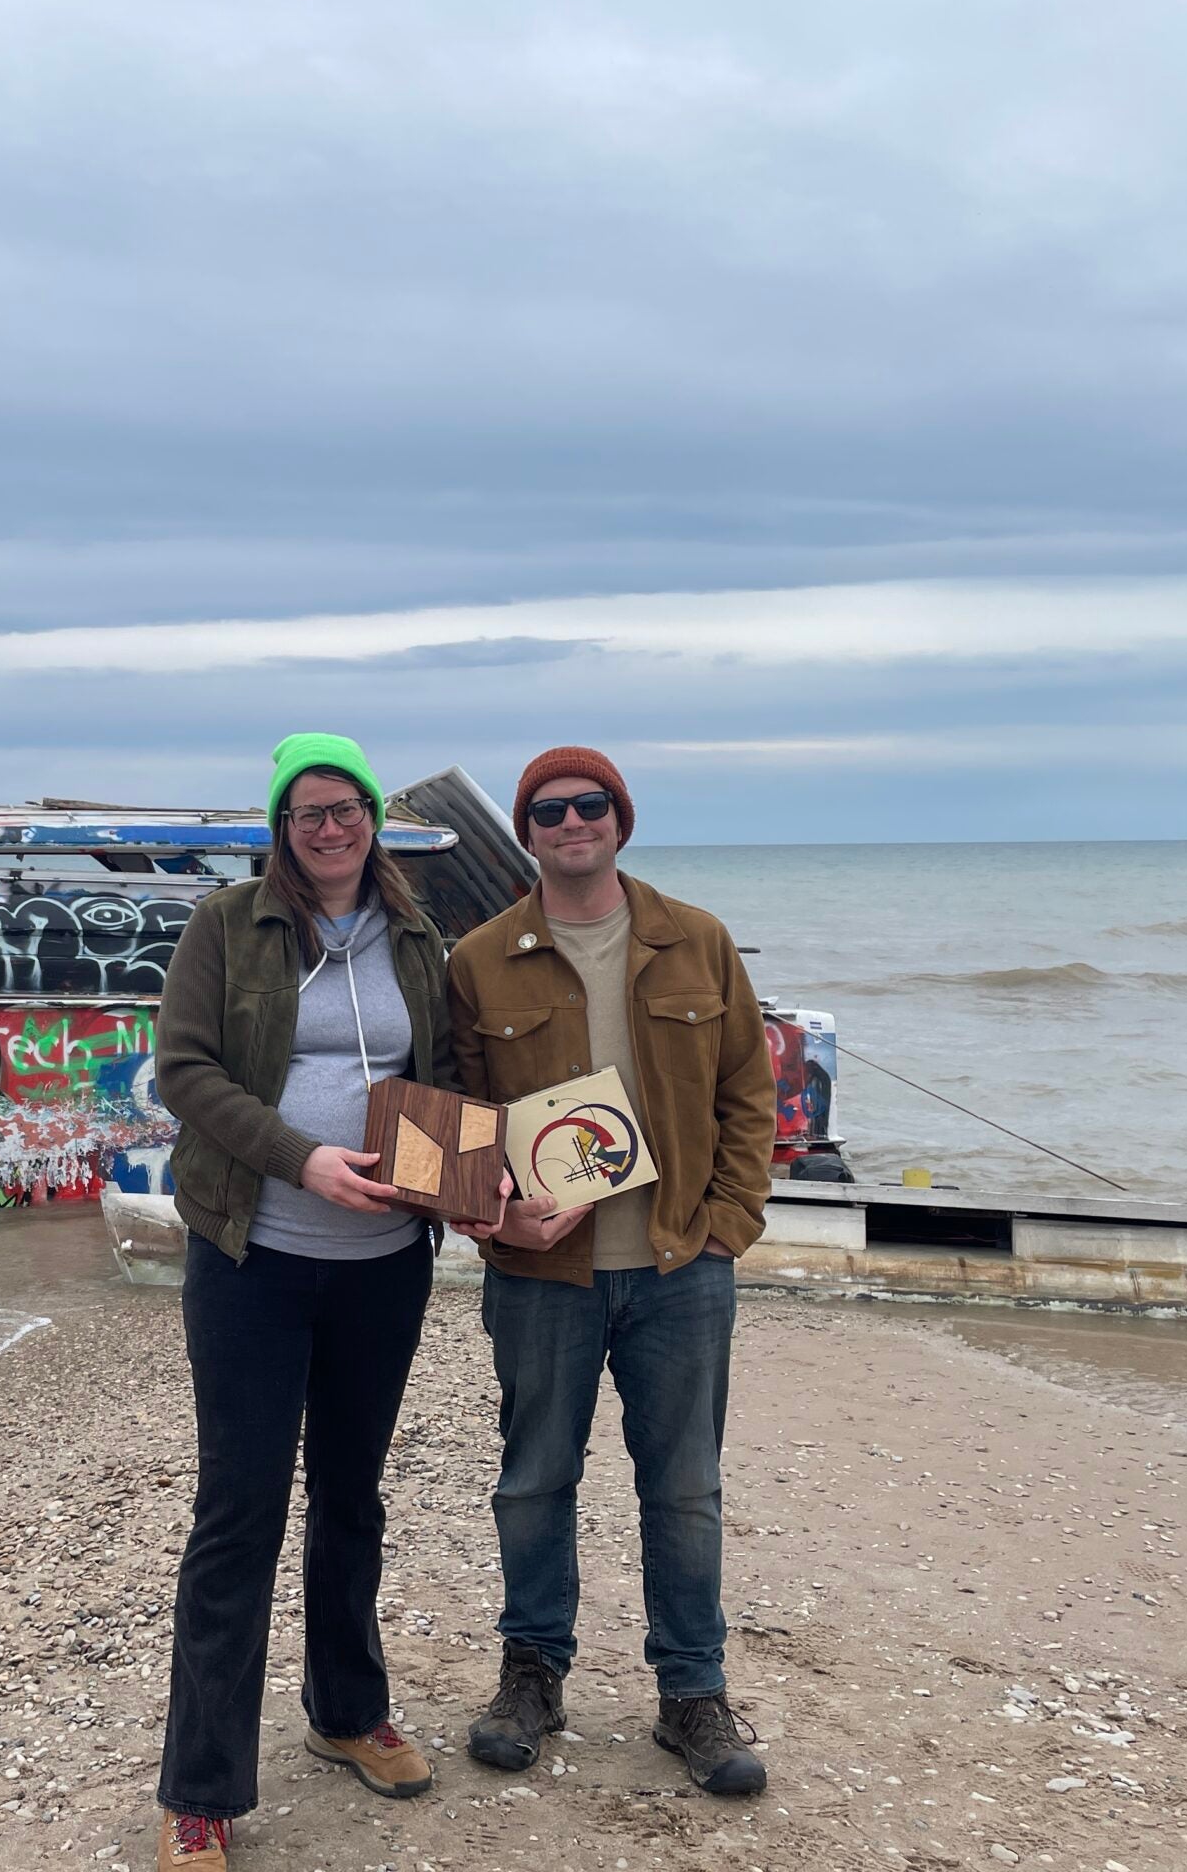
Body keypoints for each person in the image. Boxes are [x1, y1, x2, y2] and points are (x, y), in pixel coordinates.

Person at [444, 746, 778, 1796]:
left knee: (683, 1490)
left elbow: (748, 1095)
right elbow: (457, 1121)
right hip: (543, 1277)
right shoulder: (480, 959)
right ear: (527, 830)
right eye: (550, 810)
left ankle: (692, 1695)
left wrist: (729, 1220)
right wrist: (497, 1226)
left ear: (619, 819)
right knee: (533, 1481)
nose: (572, 821)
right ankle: (530, 1676)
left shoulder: (698, 942)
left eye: (591, 805)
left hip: (681, 1266)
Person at [150, 732, 455, 1871]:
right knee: (238, 1513)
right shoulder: (228, 927)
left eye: (346, 808)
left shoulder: (419, 936)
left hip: (383, 1268)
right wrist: (301, 1159)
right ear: (279, 828)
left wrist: (468, 1184)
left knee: (352, 1498)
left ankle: (344, 1713)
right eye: (305, 812)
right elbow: (184, 1071)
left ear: (372, 816)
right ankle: (202, 1790)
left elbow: (452, 1076)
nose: (328, 828)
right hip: (254, 1257)